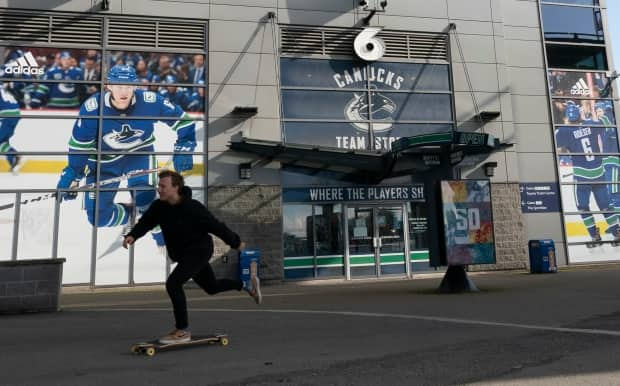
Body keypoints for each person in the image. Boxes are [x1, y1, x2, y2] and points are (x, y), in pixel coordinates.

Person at [56, 64, 197, 248]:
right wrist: (73, 174)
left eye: (129, 86)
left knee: (146, 201)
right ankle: (131, 213)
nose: (124, 91)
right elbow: (80, 145)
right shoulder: (92, 109)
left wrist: (184, 146)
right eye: (119, 86)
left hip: (138, 155)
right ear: (108, 86)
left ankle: (165, 244)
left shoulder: (150, 101)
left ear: (135, 86)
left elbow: (184, 122)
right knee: (98, 217)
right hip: (102, 161)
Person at [122, 170, 262, 344]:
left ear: (176, 187)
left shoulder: (193, 207)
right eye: (159, 186)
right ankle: (245, 284)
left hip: (200, 250)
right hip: (184, 254)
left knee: (173, 283)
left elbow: (216, 226)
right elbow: (146, 222)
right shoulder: (159, 207)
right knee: (211, 287)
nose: (159, 189)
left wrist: (236, 243)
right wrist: (133, 235)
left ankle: (182, 330)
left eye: (163, 186)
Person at [0, 84, 21, 173]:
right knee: (3, 140)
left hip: (7, 115)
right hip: (13, 113)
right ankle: (12, 160)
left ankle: (14, 156)